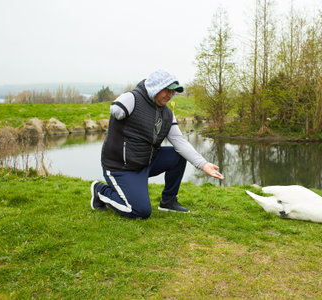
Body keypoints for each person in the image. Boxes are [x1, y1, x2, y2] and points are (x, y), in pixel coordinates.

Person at [90, 70, 224, 219]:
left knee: (177, 155)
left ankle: (168, 201)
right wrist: (121, 103)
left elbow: (180, 142)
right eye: (166, 90)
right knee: (139, 211)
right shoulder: (133, 99)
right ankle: (100, 190)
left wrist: (204, 164)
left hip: (146, 162)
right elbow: (116, 110)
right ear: (155, 87)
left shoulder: (167, 114)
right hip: (121, 167)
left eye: (172, 91)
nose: (169, 94)